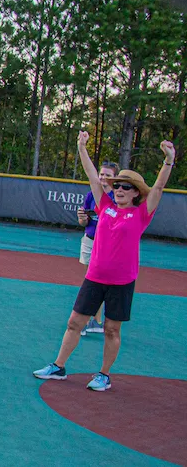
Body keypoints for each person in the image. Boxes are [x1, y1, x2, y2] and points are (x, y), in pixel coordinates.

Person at [33, 134, 176, 392]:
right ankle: (58, 367)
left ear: (135, 194)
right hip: (95, 277)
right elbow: (90, 174)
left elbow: (158, 189)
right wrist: (80, 147)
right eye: (117, 185)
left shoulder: (141, 214)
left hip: (122, 282)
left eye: (125, 187)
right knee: (74, 322)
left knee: (111, 329)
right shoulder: (105, 206)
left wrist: (168, 160)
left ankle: (104, 374)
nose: (119, 189)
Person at [76, 161, 119, 335]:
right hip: (90, 240)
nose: (103, 177)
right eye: (101, 174)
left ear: (115, 178)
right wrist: (82, 218)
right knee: (89, 280)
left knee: (100, 283)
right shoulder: (90, 195)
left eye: (108, 175)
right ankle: (93, 320)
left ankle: (93, 321)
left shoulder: (118, 197)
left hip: (108, 246)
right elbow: (84, 222)